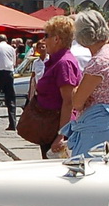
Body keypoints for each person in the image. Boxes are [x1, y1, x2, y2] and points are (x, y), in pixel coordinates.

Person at [51, 10, 109, 158]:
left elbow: (76, 102)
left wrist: (78, 91)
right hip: (106, 124)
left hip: (94, 128)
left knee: (85, 172)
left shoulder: (99, 62)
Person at [31, 17, 81, 157]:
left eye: (46, 36)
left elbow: (69, 101)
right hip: (49, 126)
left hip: (57, 127)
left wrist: (61, 135)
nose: (43, 40)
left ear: (57, 39)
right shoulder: (55, 61)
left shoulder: (64, 63)